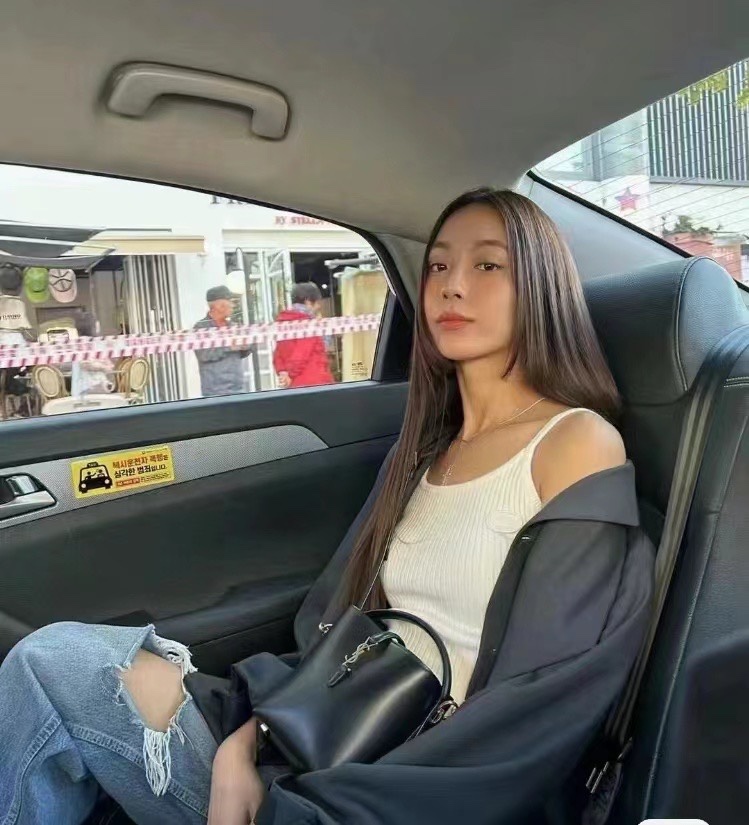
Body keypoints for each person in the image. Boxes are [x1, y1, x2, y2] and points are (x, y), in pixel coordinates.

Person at [0, 189, 653, 825]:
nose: (453, 286)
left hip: (410, 786)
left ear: (540, 286)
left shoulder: (574, 442)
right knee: (56, 658)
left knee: (56, 668)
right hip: (332, 728)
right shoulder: (426, 454)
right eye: (437, 266)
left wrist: (312, 801)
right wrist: (248, 741)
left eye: (488, 265)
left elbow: (540, 706)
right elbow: (347, 636)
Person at [273, 282, 334, 389]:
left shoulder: (283, 322)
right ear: (308, 302)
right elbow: (302, 353)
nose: (319, 306)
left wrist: (283, 372)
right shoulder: (309, 323)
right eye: (317, 303)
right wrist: (290, 374)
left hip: (293, 385)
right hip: (315, 382)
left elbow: (278, 354)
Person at [194, 286, 251, 397]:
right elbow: (203, 355)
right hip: (215, 392)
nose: (233, 305)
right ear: (219, 306)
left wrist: (246, 346)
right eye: (230, 302)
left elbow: (245, 352)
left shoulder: (233, 326)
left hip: (238, 389)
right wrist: (228, 346)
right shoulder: (201, 328)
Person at [70, 312, 115, 397]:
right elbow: (85, 363)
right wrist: (103, 367)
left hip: (90, 388)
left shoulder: (93, 342)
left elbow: (107, 363)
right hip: (88, 388)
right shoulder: (83, 343)